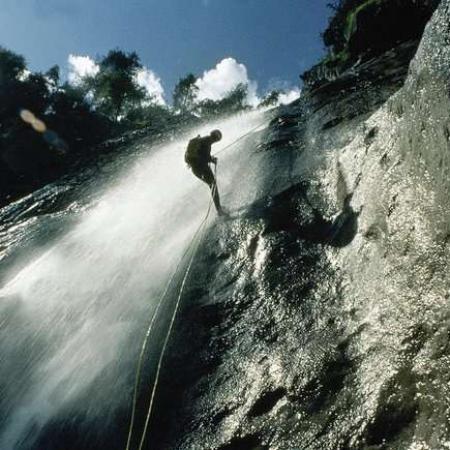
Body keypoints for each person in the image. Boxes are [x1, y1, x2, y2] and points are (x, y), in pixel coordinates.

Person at [185, 129, 227, 216]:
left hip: (197, 169)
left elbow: (203, 155)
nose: (216, 141)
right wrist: (211, 159)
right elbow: (203, 157)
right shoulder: (207, 142)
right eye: (217, 139)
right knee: (213, 185)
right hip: (201, 168)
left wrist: (211, 159)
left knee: (212, 185)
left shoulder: (205, 140)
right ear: (216, 138)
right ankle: (219, 209)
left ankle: (219, 208)